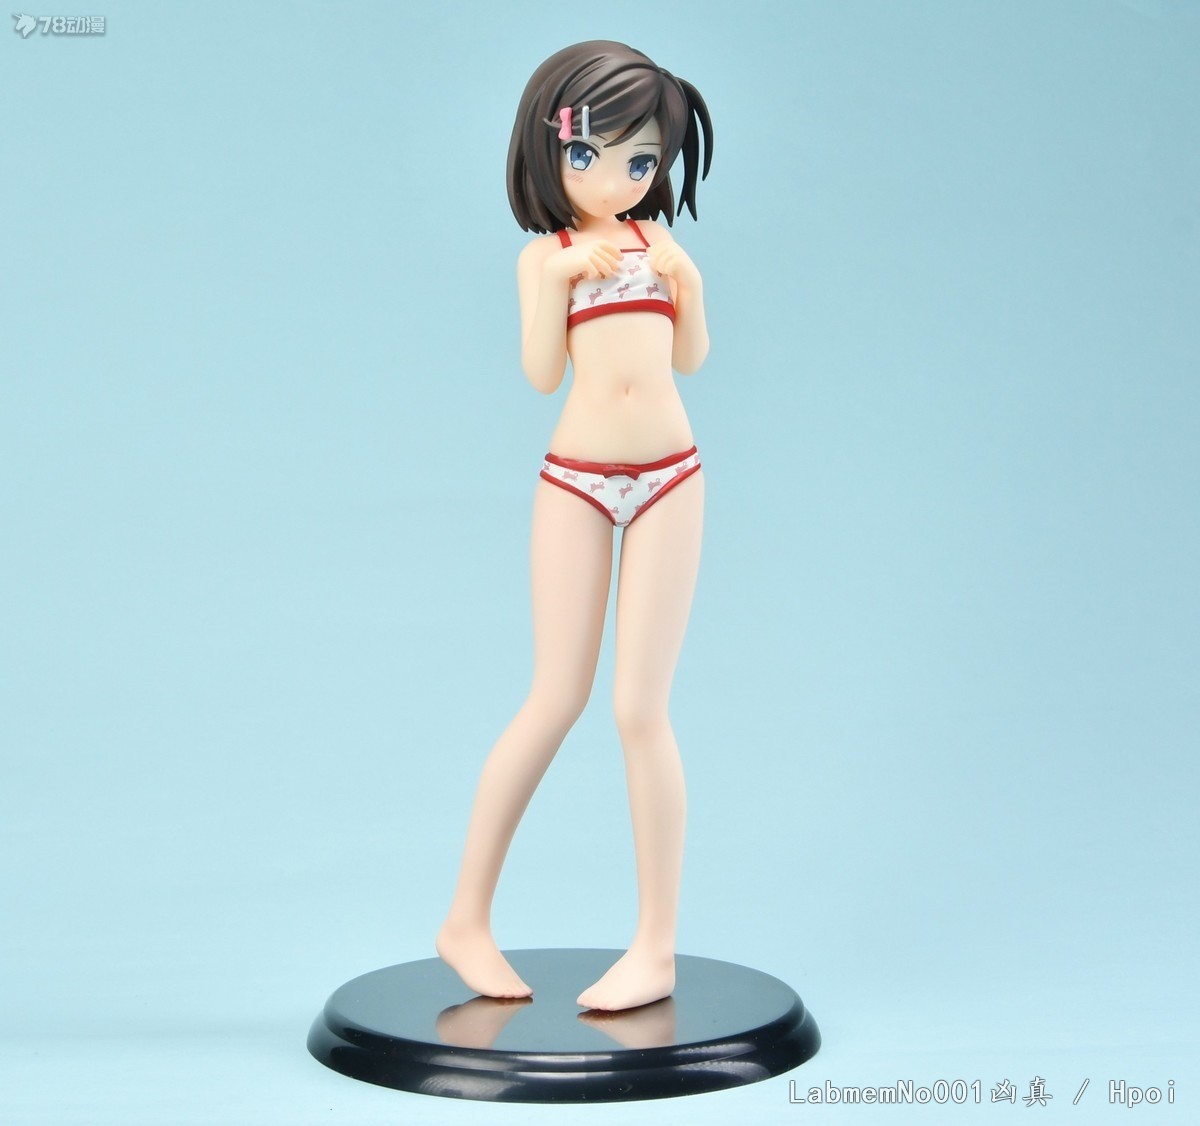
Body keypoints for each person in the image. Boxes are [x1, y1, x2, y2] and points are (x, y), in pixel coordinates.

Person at [436, 40, 714, 1012]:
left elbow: (692, 356)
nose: (615, 178)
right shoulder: (543, 256)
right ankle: (464, 919)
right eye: (589, 155)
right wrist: (560, 279)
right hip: (578, 482)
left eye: (642, 160)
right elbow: (540, 373)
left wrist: (686, 281)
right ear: (549, 150)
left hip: (672, 478)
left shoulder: (657, 243)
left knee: (642, 710)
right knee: (555, 697)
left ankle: (657, 947)